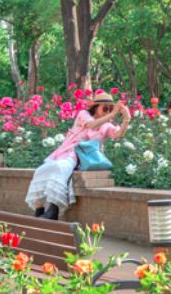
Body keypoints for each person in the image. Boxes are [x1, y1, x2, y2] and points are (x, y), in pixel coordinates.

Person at [25, 91, 130, 221]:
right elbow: (91, 124)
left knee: (61, 168)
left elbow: (118, 134)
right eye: (105, 108)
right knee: (41, 170)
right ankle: (39, 209)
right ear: (96, 107)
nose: (108, 111)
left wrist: (127, 119)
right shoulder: (84, 114)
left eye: (110, 108)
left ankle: (53, 210)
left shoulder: (106, 125)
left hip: (82, 157)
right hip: (66, 152)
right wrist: (114, 112)